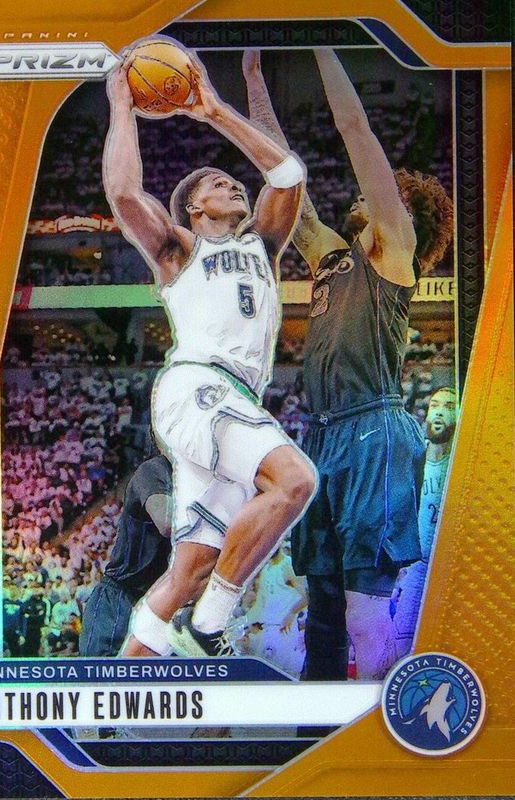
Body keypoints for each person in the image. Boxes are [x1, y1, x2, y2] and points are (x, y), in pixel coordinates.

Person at [242, 48, 453, 678]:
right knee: (324, 621)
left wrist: (322, 36)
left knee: (365, 616)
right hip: (323, 434)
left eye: (385, 191)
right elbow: (282, 174)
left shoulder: (395, 252)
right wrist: (253, 79)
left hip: (374, 432)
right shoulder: (332, 257)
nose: (366, 189)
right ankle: (320, 730)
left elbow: (354, 128)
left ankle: (391, 720)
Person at [103, 41, 316, 658]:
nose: (234, 185)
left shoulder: (262, 244)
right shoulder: (179, 249)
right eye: (220, 184)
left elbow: (288, 175)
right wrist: (121, 103)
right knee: (295, 480)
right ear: (195, 207)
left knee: (189, 572)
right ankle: (210, 626)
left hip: (233, 397)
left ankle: (119, 693)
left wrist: (216, 110)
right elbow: (123, 194)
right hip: (198, 385)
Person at [79, 454, 173, 656]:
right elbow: (167, 523)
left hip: (160, 602)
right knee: (105, 674)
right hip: (122, 598)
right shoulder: (155, 469)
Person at [391, 387, 457, 657]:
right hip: (415, 567)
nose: (439, 412)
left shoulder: (461, 465)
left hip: (449, 569)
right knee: (400, 644)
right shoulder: (413, 458)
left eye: (449, 407)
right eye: (435, 405)